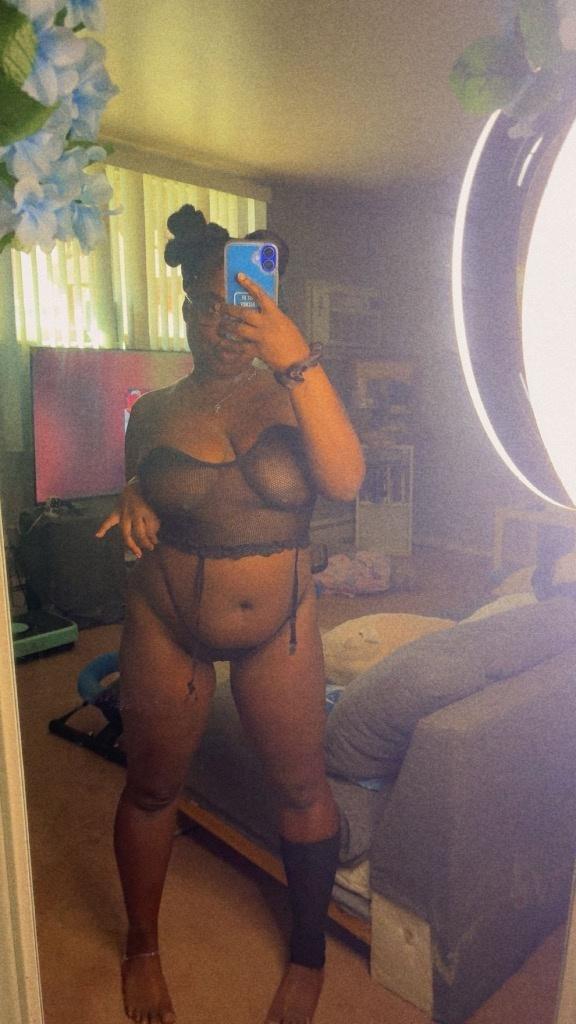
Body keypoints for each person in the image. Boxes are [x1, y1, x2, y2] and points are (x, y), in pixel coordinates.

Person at [96, 204, 365, 1024]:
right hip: (166, 620)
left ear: (268, 303)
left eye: (241, 301)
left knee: (302, 786)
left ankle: (308, 955)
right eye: (206, 304)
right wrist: (134, 495)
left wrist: (295, 359)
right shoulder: (152, 411)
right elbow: (143, 481)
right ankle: (142, 946)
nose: (224, 321)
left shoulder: (298, 388)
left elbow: (347, 480)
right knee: (151, 788)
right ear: (184, 312)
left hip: (278, 627)